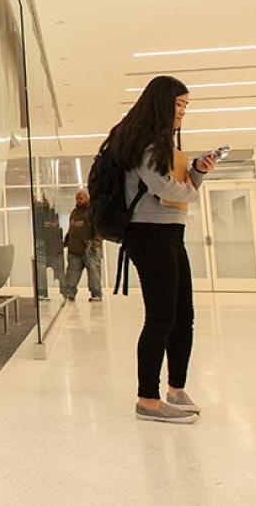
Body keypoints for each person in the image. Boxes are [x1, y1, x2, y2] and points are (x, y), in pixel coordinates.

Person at [100, 75, 215, 424]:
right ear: (161, 102)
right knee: (161, 316)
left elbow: (176, 188)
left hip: (168, 232)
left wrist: (196, 172)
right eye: (178, 104)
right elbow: (164, 188)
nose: (182, 111)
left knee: (183, 315)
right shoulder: (144, 140)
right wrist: (191, 190)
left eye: (186, 106)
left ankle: (176, 390)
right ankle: (147, 399)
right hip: (149, 234)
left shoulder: (161, 142)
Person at [62, 190, 103, 302]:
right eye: (77, 198)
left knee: (94, 273)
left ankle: (96, 294)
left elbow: (98, 229)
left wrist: (96, 242)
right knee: (72, 273)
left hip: (90, 249)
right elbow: (71, 229)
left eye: (81, 198)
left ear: (87, 199)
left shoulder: (92, 212)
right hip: (75, 249)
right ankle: (70, 293)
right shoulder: (74, 212)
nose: (79, 201)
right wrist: (65, 242)